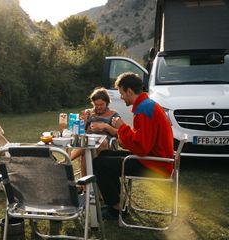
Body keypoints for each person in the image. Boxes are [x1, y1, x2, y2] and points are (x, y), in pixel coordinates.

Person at [93, 72, 174, 220]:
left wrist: (122, 128)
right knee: (105, 155)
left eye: (122, 93)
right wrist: (123, 133)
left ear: (130, 91)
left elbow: (141, 148)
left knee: (98, 164)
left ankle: (116, 208)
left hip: (155, 164)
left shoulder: (144, 110)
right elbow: (141, 141)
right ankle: (117, 203)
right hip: (153, 158)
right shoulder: (147, 105)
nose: (121, 97)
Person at [70, 87, 120, 178]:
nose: (99, 107)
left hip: (106, 144)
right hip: (88, 142)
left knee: (91, 144)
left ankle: (67, 161)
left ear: (107, 102)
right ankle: (85, 187)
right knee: (86, 151)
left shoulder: (113, 114)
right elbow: (81, 131)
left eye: (101, 104)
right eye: (96, 105)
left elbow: (119, 133)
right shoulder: (88, 113)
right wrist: (83, 122)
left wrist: (106, 126)